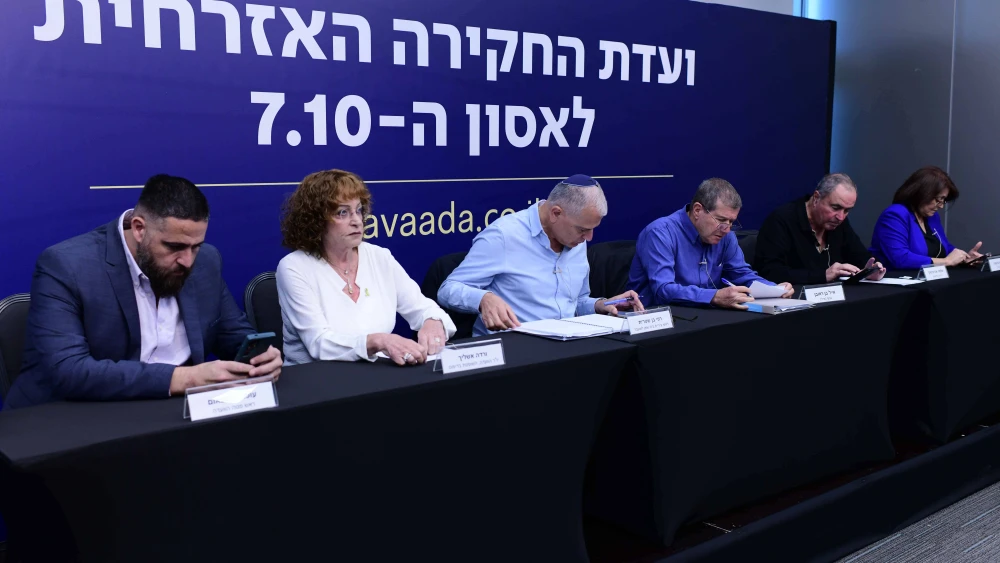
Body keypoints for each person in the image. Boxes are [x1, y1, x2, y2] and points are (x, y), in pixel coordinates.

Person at [6, 175, 282, 409]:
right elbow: (69, 371)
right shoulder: (67, 264)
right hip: (71, 418)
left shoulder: (206, 261)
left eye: (195, 246)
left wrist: (260, 357)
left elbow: (233, 335)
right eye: (174, 247)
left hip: (174, 415)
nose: (188, 260)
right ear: (139, 228)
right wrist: (185, 378)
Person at [277, 169, 456, 366]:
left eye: (359, 210)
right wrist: (379, 341)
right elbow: (319, 343)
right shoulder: (294, 267)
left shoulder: (379, 257)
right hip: (315, 382)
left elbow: (423, 307)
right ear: (316, 221)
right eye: (342, 212)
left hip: (377, 378)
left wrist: (433, 322)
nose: (356, 221)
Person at [437, 174, 642, 336]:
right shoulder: (503, 236)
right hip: (515, 353)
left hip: (568, 348)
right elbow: (448, 290)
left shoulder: (574, 239)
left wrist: (602, 305)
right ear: (555, 213)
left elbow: (574, 303)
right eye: (582, 230)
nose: (589, 238)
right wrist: (483, 298)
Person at [628, 178, 794, 310]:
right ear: (698, 210)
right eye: (721, 220)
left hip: (705, 317)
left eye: (731, 221)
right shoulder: (660, 233)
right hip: (658, 320)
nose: (727, 229)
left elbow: (741, 274)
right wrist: (714, 296)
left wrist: (775, 289)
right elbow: (663, 290)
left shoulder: (726, 235)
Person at [755, 173, 886, 284]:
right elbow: (770, 272)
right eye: (835, 208)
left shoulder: (839, 223)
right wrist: (824, 275)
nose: (841, 217)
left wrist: (872, 270)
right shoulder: (782, 220)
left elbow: (861, 256)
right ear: (816, 198)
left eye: (847, 210)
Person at [870, 166, 984, 269]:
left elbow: (944, 248)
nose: (941, 206)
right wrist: (947, 261)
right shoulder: (895, 214)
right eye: (938, 200)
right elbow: (900, 258)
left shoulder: (932, 217)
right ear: (922, 193)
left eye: (944, 201)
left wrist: (964, 258)